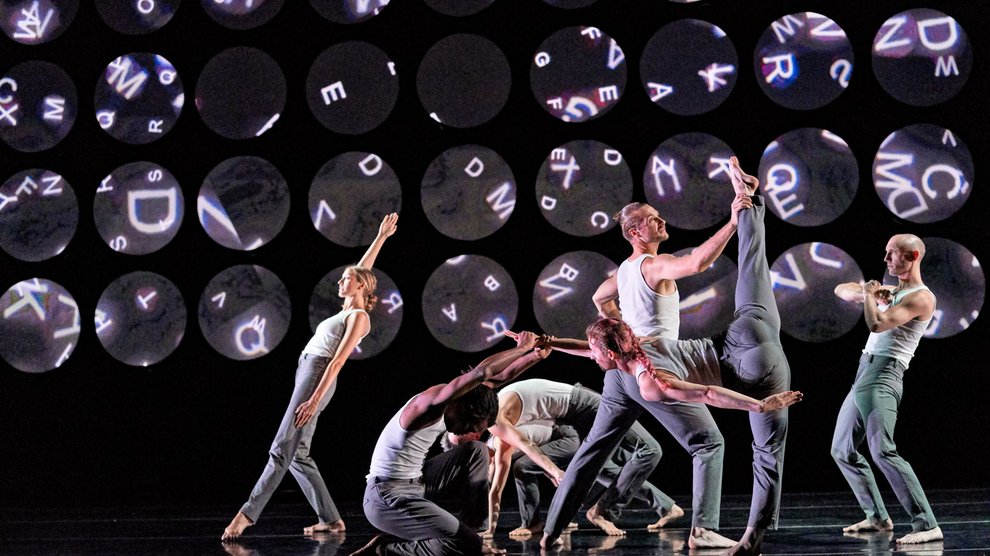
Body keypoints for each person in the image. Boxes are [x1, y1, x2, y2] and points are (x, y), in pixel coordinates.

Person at [542, 158, 802, 556]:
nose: (661, 221)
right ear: (634, 232)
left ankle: (552, 529)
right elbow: (699, 262)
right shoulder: (653, 264)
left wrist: (620, 328)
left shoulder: (624, 271)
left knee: (594, 449)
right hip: (653, 365)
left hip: (623, 371)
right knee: (708, 442)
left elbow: (598, 298)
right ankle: (704, 529)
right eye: (652, 218)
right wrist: (734, 221)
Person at [221, 213, 398, 541]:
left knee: (281, 447)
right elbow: (363, 269)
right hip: (308, 371)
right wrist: (381, 237)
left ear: (359, 285)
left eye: (346, 279)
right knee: (298, 454)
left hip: (318, 376)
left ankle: (246, 515)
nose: (339, 282)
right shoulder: (347, 309)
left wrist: (313, 399)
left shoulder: (358, 316)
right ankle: (331, 520)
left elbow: (338, 362)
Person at [355, 332, 549, 555]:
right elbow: (482, 372)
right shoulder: (429, 406)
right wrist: (521, 348)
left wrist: (534, 356)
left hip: (417, 483)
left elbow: (497, 378)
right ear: (463, 409)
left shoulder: (462, 400)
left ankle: (475, 532)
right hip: (386, 496)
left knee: (476, 450)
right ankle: (384, 551)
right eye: (469, 426)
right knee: (464, 546)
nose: (468, 432)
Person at [830, 235, 943, 545]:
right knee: (842, 449)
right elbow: (841, 290)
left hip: (884, 374)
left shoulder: (921, 298)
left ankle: (926, 524)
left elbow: (877, 325)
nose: (886, 260)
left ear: (913, 255)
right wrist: (869, 290)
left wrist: (870, 297)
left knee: (883, 450)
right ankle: (877, 517)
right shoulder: (895, 291)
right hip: (865, 370)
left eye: (893, 254)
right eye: (886, 253)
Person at [482, 378, 682, 538]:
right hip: (571, 417)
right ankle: (663, 506)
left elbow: (523, 453)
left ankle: (602, 511)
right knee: (601, 467)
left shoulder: (498, 425)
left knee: (645, 451)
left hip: (583, 406)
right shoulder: (497, 409)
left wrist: (553, 470)